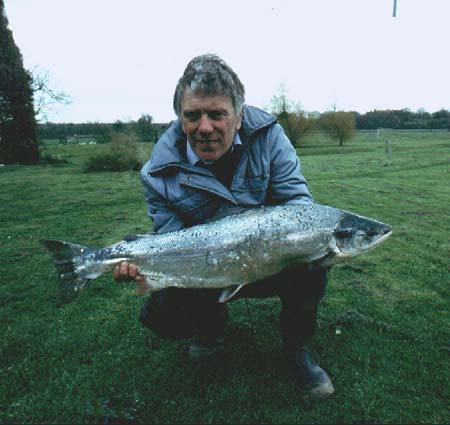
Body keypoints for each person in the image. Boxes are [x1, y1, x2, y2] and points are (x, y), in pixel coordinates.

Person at [114, 54, 334, 399]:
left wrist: (299, 242)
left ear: (239, 115)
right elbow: (168, 241)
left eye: (217, 114)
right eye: (193, 116)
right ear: (180, 117)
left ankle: (296, 349)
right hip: (205, 268)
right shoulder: (157, 172)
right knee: (162, 316)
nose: (204, 127)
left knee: (313, 265)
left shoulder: (269, 137)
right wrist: (142, 267)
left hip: (269, 264)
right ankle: (210, 328)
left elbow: (298, 206)